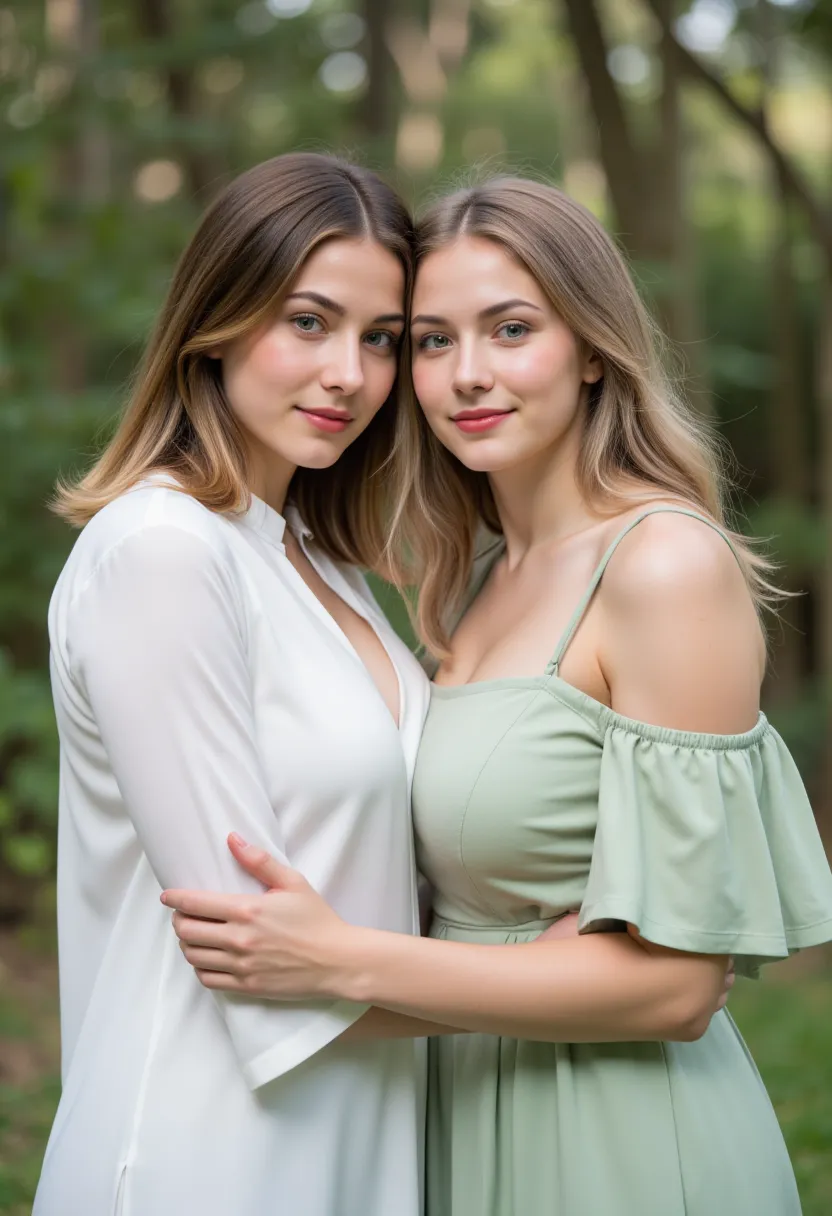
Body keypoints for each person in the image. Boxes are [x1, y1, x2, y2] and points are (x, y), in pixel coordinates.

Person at [166, 177, 832, 1216]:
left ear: (594, 347)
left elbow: (676, 987)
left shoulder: (660, 566)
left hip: (621, 1146)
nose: (466, 374)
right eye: (430, 341)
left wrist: (340, 959)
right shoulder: (475, 580)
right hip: (466, 1109)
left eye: (510, 329)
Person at [37, 152, 436, 1216]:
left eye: (382, 339)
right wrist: (560, 991)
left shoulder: (310, 558)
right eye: (307, 321)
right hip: (203, 1151)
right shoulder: (162, 553)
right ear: (215, 319)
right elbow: (261, 959)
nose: (350, 372)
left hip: (356, 1135)